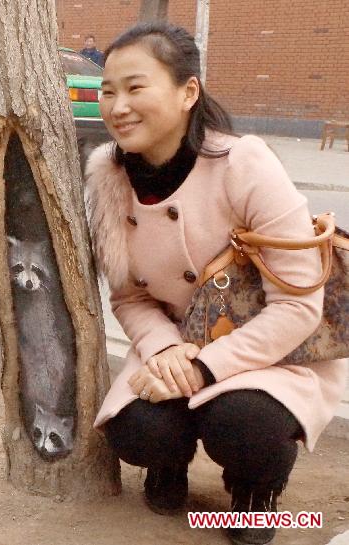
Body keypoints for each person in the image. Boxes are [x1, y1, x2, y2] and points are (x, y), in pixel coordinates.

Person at [85, 22, 347, 545]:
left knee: (242, 424)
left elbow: (298, 305)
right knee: (136, 431)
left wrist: (204, 369)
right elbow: (129, 295)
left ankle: (255, 493)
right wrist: (164, 350)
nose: (118, 106)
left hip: (267, 348)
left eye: (136, 88)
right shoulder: (107, 175)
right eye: (108, 91)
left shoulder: (241, 163)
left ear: (188, 92)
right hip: (177, 345)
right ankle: (170, 463)